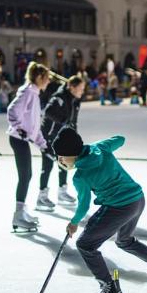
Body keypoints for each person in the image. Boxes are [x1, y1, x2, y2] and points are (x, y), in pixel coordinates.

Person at [55, 128, 147, 293]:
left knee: (85, 244)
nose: (60, 160)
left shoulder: (80, 176)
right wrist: (101, 147)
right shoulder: (100, 148)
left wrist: (74, 223)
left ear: (71, 153)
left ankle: (110, 290)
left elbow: (84, 206)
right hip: (137, 199)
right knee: (124, 241)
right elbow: (120, 139)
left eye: (61, 156)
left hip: (118, 206)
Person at [6, 61, 50, 232]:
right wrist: (19, 128)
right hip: (18, 139)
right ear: (39, 77)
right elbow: (11, 110)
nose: (48, 82)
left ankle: (22, 210)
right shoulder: (28, 92)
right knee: (25, 176)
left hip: (22, 139)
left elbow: (34, 127)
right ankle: (18, 215)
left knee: (27, 175)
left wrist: (43, 145)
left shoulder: (34, 93)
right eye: (46, 78)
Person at [36, 75, 85, 212]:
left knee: (65, 163)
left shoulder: (75, 100)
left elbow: (73, 120)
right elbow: (47, 111)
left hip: (62, 136)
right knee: (47, 164)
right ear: (72, 87)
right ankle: (42, 196)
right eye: (80, 88)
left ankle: (62, 192)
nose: (82, 91)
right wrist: (64, 122)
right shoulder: (60, 97)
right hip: (49, 136)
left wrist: (73, 134)